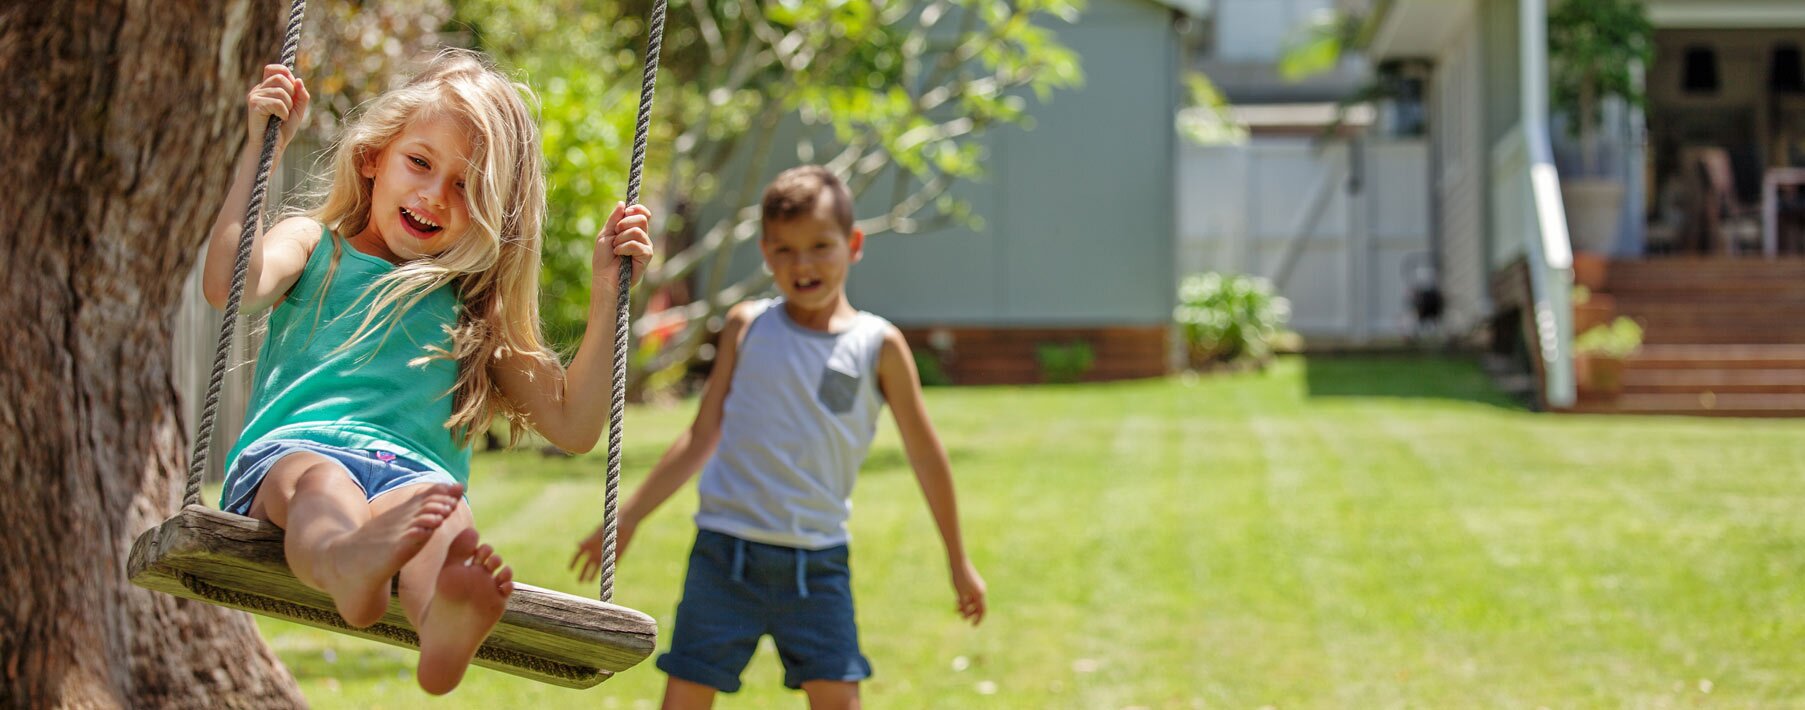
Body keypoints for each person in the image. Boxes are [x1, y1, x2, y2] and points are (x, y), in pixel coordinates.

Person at [205, 49, 652, 694]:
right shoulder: (313, 246)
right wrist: (262, 151)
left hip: (415, 478)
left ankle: (440, 625)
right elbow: (229, 281)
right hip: (298, 453)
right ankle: (345, 561)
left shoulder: (474, 313)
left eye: (467, 187)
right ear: (372, 157)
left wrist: (608, 293)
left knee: (442, 518)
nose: (434, 196)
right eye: (420, 162)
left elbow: (576, 425)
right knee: (324, 487)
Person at [572, 165, 985, 709]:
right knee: (684, 699)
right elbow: (700, 438)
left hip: (817, 567)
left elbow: (927, 457)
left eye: (820, 246)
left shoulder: (878, 346)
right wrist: (628, 518)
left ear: (853, 244)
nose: (803, 264)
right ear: (766, 253)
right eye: (785, 250)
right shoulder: (748, 328)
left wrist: (957, 558)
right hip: (724, 558)